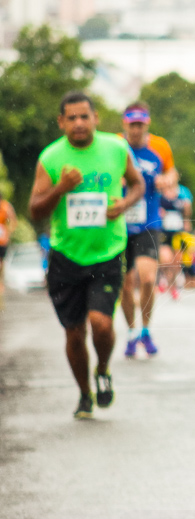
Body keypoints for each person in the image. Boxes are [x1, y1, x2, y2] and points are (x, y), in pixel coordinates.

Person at [29, 91, 144, 419]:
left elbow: (137, 185)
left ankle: (103, 370)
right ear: (61, 122)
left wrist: (124, 204)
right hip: (66, 256)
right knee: (74, 332)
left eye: (85, 116)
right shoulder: (51, 158)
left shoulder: (116, 148)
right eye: (72, 118)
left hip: (107, 252)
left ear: (95, 118)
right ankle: (83, 394)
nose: (79, 123)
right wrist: (60, 188)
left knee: (101, 323)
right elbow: (35, 210)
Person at [119, 103, 176, 357]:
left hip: (149, 222)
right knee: (125, 283)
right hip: (119, 222)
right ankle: (131, 331)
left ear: (147, 124)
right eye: (132, 124)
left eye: (140, 124)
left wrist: (168, 180)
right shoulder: (115, 146)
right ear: (124, 124)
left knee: (148, 279)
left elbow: (172, 171)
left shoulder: (160, 146)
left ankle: (146, 329)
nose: (136, 129)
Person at [158, 181, 193, 300]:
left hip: (177, 233)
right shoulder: (160, 197)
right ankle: (164, 279)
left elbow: (187, 214)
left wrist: (187, 215)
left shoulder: (180, 197)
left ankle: (173, 286)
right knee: (165, 259)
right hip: (164, 233)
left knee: (176, 261)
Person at [0, 188, 17, 292]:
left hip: (3, 240)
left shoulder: (6, 207)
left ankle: (1, 282)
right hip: (3, 238)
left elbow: (13, 220)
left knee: (2, 262)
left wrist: (9, 232)